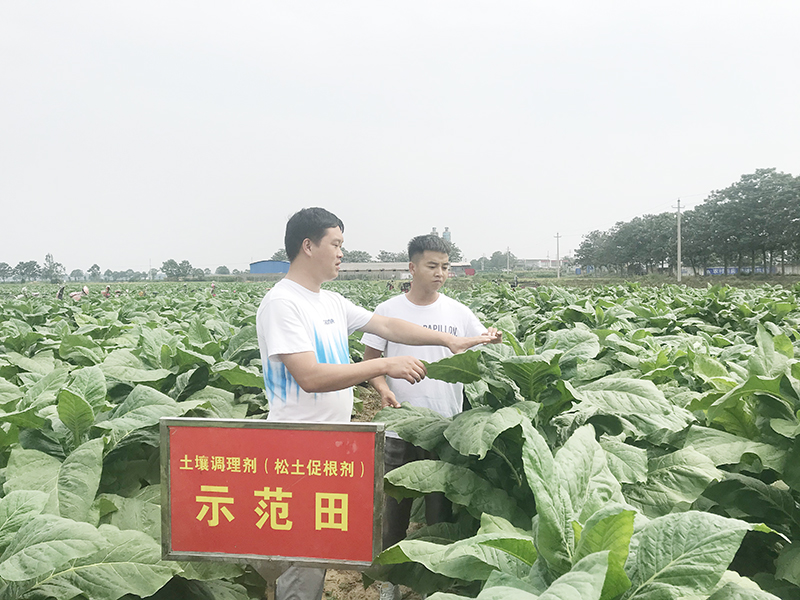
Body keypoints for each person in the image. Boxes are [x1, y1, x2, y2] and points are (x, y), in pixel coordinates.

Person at [255, 208, 498, 600]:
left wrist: (446, 341)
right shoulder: (283, 303)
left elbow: (388, 326)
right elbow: (310, 376)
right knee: (302, 548)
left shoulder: (329, 301)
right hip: (297, 442)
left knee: (317, 543)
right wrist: (385, 364)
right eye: (335, 244)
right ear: (307, 245)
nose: (340, 253)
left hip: (331, 439)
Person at [361, 234, 502, 600]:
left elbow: (481, 341)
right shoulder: (389, 309)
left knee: (440, 514)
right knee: (396, 509)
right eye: (432, 266)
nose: (440, 273)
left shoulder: (457, 312)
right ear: (412, 267)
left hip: (446, 428)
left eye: (445, 267)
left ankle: (432, 581)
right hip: (402, 425)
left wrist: (490, 338)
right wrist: (382, 388)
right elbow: (370, 362)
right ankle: (389, 580)